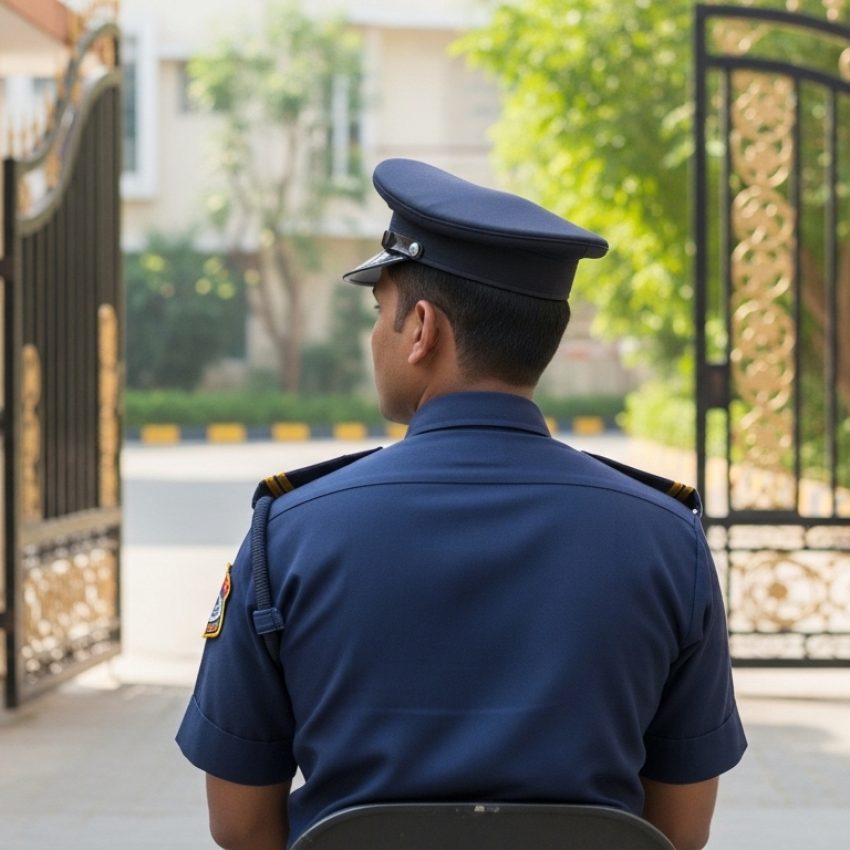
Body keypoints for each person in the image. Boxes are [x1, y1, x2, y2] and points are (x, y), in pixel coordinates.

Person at [176, 158, 746, 850]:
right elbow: (680, 832)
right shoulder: (665, 539)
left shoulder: (291, 532)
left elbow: (239, 825)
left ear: (421, 330)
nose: (373, 338)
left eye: (380, 314)